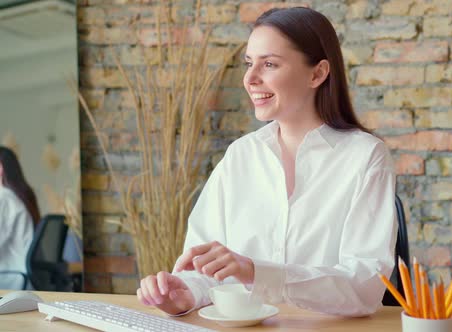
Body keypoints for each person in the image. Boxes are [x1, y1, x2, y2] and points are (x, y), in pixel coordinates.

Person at [137, 7, 398, 317]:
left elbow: (364, 288)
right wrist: (186, 294)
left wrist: (257, 272)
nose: (250, 78)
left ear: (317, 73)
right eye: (249, 63)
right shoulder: (241, 155)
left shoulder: (365, 157)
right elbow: (204, 267)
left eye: (269, 64)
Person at [0, 146, 39, 289]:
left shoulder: (3, 198)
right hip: (22, 279)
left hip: (9, 278)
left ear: (1, 169)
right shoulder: (19, 196)